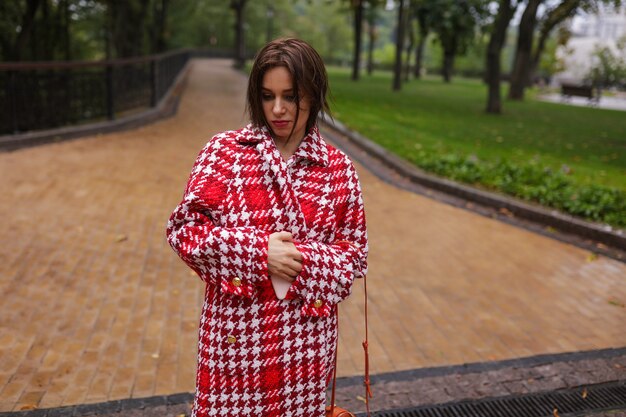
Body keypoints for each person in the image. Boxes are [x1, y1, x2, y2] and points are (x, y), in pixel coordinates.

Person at [166, 38, 368, 417]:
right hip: (235, 344)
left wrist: (295, 261)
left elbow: (353, 259)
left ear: (314, 93)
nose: (277, 109)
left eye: (291, 96)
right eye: (267, 95)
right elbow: (184, 230)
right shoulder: (225, 152)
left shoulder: (338, 170)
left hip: (304, 350)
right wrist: (260, 254)